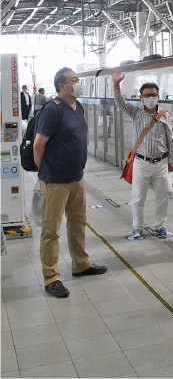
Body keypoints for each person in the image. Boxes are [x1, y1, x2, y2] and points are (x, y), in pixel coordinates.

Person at [33, 67, 108, 299]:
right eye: (74, 80)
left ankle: (81, 264)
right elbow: (38, 145)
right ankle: (51, 277)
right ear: (62, 86)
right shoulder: (52, 110)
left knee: (78, 223)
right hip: (55, 181)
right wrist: (46, 172)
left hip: (77, 177)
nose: (78, 83)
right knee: (50, 230)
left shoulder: (79, 107)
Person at [112, 72, 173, 238]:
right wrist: (116, 85)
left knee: (162, 197)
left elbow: (169, 138)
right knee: (138, 196)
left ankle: (160, 226)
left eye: (153, 95)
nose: (150, 98)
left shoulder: (164, 114)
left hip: (161, 162)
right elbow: (120, 104)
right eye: (147, 95)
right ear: (141, 98)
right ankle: (137, 227)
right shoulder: (136, 112)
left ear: (158, 95)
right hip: (141, 161)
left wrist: (171, 160)